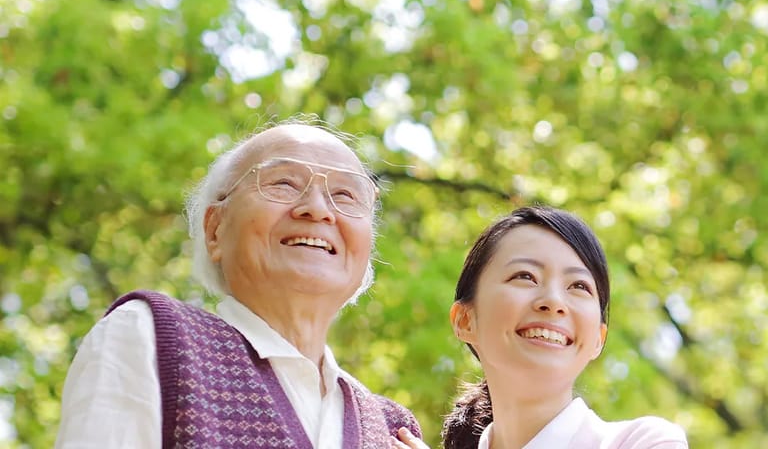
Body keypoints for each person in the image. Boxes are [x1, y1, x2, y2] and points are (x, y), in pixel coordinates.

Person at [56, 117, 422, 448]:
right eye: (283, 183)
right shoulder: (151, 338)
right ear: (215, 228)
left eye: (345, 195)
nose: (317, 209)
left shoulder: (392, 429)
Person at [394, 205, 687, 449]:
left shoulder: (643, 442)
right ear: (465, 320)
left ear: (598, 338)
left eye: (579, 286)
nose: (553, 301)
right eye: (525, 276)